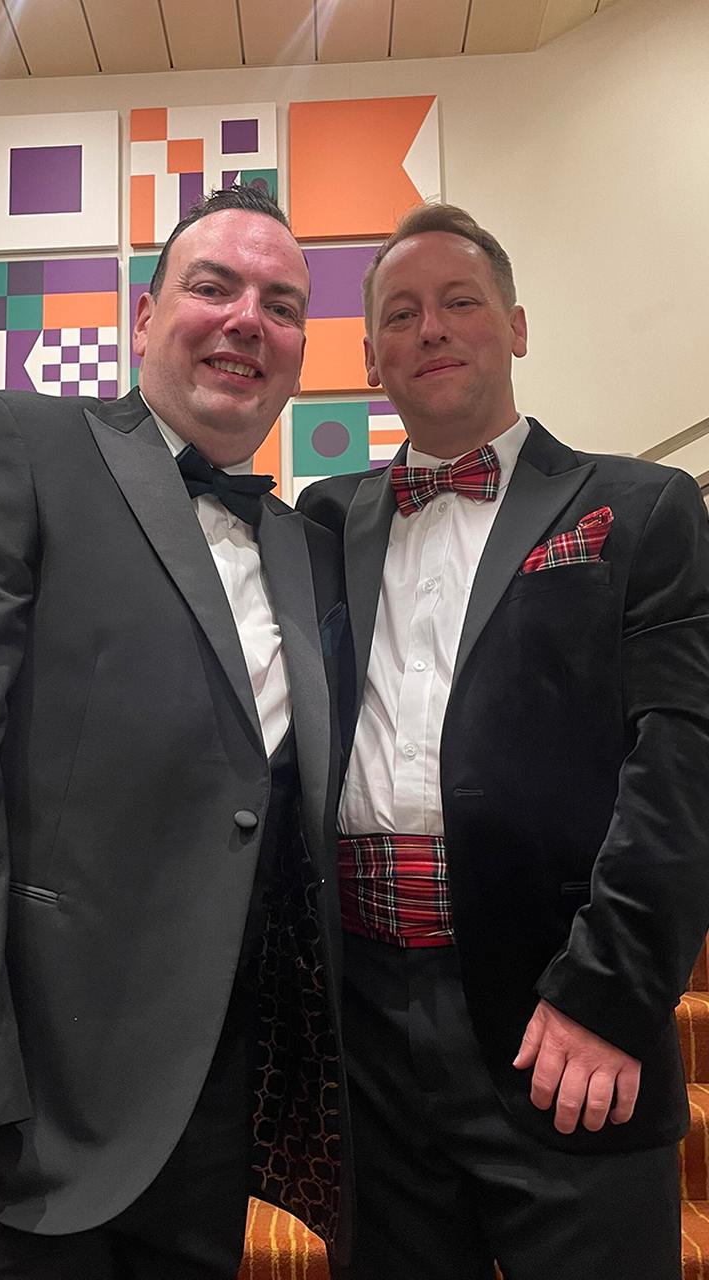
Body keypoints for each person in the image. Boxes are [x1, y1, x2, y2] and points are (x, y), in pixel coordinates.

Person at [0, 185, 349, 1280]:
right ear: (143, 320)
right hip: (21, 1113)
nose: (248, 316)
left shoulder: (304, 544)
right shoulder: (18, 441)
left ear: (297, 352)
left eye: (281, 303)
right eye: (214, 285)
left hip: (210, 1116)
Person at [299, 201, 709, 1280]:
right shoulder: (321, 518)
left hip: (561, 1014)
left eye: (457, 301)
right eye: (399, 313)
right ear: (370, 358)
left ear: (514, 326)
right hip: (365, 1033)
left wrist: (607, 993)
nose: (429, 327)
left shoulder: (639, 505)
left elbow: (682, 763)